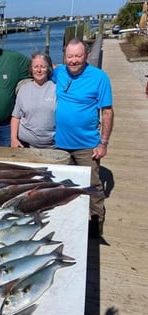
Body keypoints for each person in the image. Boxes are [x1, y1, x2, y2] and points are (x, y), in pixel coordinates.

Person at [52, 38, 114, 237]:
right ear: (64, 57)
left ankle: (96, 225)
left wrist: (103, 143)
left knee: (94, 186)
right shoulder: (58, 72)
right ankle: (67, 220)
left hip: (87, 145)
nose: (74, 60)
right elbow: (40, 70)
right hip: (59, 144)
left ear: (86, 55)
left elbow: (107, 112)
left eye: (78, 56)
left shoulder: (99, 77)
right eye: (70, 56)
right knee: (62, 185)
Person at [11, 51, 56, 148]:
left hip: (53, 146)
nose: (39, 70)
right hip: (26, 144)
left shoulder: (56, 88)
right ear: (31, 69)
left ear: (48, 69)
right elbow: (16, 117)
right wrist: (13, 139)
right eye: (35, 67)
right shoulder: (23, 89)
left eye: (43, 67)